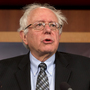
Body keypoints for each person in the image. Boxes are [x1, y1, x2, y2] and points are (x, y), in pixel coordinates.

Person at [0, 3, 90, 90]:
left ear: (59, 36)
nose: (48, 30)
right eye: (39, 24)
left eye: (53, 25)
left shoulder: (86, 69)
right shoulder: (2, 71)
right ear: (24, 36)